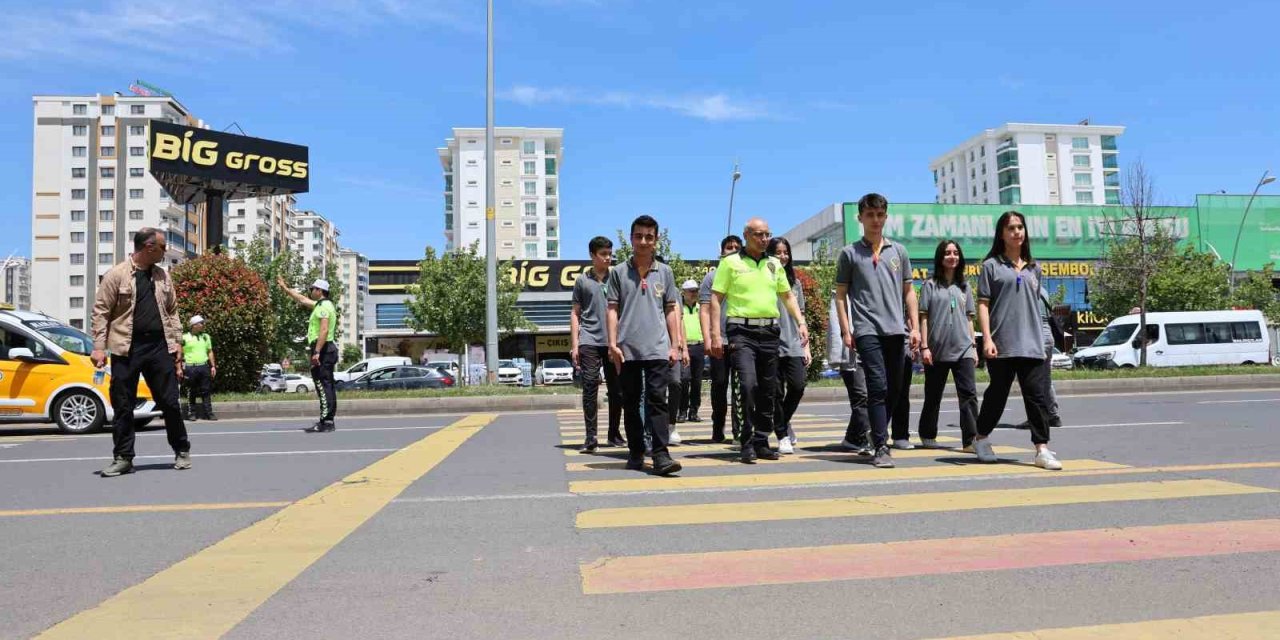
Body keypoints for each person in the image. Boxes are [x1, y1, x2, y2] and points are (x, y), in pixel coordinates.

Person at [91, 227, 191, 477]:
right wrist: (99, 347)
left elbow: (172, 311)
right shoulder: (116, 275)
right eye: (162, 247)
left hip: (159, 346)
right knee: (123, 404)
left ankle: (181, 450)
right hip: (127, 347)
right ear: (148, 247)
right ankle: (123, 458)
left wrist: (177, 342)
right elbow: (101, 312)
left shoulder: (163, 277)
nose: (165, 251)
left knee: (169, 402)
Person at [709, 217, 809, 464]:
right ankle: (745, 440)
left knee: (769, 389)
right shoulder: (730, 263)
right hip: (741, 332)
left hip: (770, 333)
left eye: (767, 234)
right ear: (746, 235)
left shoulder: (774, 264)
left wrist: (801, 322)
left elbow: (787, 296)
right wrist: (714, 334)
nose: (764, 239)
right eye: (758, 234)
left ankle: (762, 440)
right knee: (747, 385)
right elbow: (715, 299)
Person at [834, 193, 920, 469]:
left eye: (880, 214)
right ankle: (882, 446)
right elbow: (840, 295)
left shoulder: (899, 251)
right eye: (870, 215)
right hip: (867, 330)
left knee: (895, 389)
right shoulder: (849, 253)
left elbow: (909, 292)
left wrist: (915, 328)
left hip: (897, 330)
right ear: (860, 218)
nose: (875, 220)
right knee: (877, 386)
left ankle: (875, 430)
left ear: (885, 217)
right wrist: (847, 331)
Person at [973, 211, 1063, 470]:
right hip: (1002, 343)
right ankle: (980, 438)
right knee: (997, 395)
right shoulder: (991, 266)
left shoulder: (1035, 267)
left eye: (1020, 227)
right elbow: (983, 305)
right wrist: (987, 338)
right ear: (1002, 233)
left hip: (1033, 343)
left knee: (1037, 397)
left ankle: (1041, 448)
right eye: (1011, 228)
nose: (1017, 232)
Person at [606, 215, 683, 476]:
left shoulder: (666, 271)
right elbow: (612, 310)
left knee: (658, 400)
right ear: (631, 239)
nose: (643, 241)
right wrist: (612, 344)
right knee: (630, 401)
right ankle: (636, 451)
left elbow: (672, 310)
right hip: (626, 350)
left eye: (649, 237)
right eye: (638, 236)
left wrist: (676, 345)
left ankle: (661, 455)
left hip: (658, 348)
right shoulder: (617, 272)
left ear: (656, 240)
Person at [917, 240, 979, 450]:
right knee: (933, 395)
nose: (952, 256)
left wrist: (973, 347)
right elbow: (923, 317)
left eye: (955, 253)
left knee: (969, 394)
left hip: (963, 348)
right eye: (947, 253)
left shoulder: (965, 286)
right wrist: (924, 347)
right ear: (940, 258)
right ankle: (927, 435)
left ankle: (970, 440)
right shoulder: (929, 285)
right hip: (937, 350)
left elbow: (970, 318)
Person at [571, 236, 625, 452]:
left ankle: (614, 433)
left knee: (617, 390)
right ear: (593, 255)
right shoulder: (582, 281)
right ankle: (591, 437)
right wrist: (575, 344)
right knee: (590, 386)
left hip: (614, 341)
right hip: (589, 340)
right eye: (604, 254)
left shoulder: (618, 278)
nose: (608, 258)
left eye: (610, 254)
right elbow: (575, 313)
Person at [278, 276, 340, 433]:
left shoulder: (323, 307)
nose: (311, 291)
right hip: (326, 348)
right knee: (327, 385)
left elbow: (324, 330)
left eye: (313, 289)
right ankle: (328, 420)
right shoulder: (323, 305)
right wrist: (285, 288)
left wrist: (317, 351)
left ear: (320, 291)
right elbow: (302, 299)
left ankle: (326, 422)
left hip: (323, 349)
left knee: (322, 385)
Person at [766, 237, 810, 455]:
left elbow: (800, 314)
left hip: (793, 342)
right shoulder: (763, 278)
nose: (783, 256)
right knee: (774, 392)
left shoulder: (795, 282)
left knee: (798, 385)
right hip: (770, 342)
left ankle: (784, 421)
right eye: (778, 252)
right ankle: (782, 434)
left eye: (786, 252)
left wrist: (806, 347)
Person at [699, 235, 742, 443]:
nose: (732, 250)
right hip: (719, 341)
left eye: (736, 247)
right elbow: (705, 310)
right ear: (721, 251)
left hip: (741, 340)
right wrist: (708, 338)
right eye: (728, 247)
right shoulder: (711, 277)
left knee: (741, 386)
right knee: (720, 384)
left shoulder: (745, 274)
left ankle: (739, 430)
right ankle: (718, 427)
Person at [831, 293, 872, 455]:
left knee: (867, 396)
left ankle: (852, 438)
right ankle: (868, 437)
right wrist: (838, 354)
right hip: (850, 353)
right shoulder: (841, 293)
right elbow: (835, 327)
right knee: (861, 396)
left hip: (870, 349)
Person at [678, 280, 706, 424]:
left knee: (697, 382)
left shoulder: (700, 308)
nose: (694, 293)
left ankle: (694, 412)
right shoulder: (679, 307)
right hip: (684, 347)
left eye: (696, 290)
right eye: (691, 291)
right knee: (684, 380)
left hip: (699, 346)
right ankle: (682, 411)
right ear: (684, 292)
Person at [181, 315, 217, 421]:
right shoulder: (184, 337)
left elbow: (210, 351)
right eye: (201, 323)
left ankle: (209, 413)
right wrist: (181, 367)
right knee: (191, 391)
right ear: (194, 325)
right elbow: (180, 353)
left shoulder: (206, 336)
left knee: (206, 390)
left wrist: (213, 366)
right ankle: (191, 413)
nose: (203, 325)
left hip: (204, 366)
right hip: (190, 367)